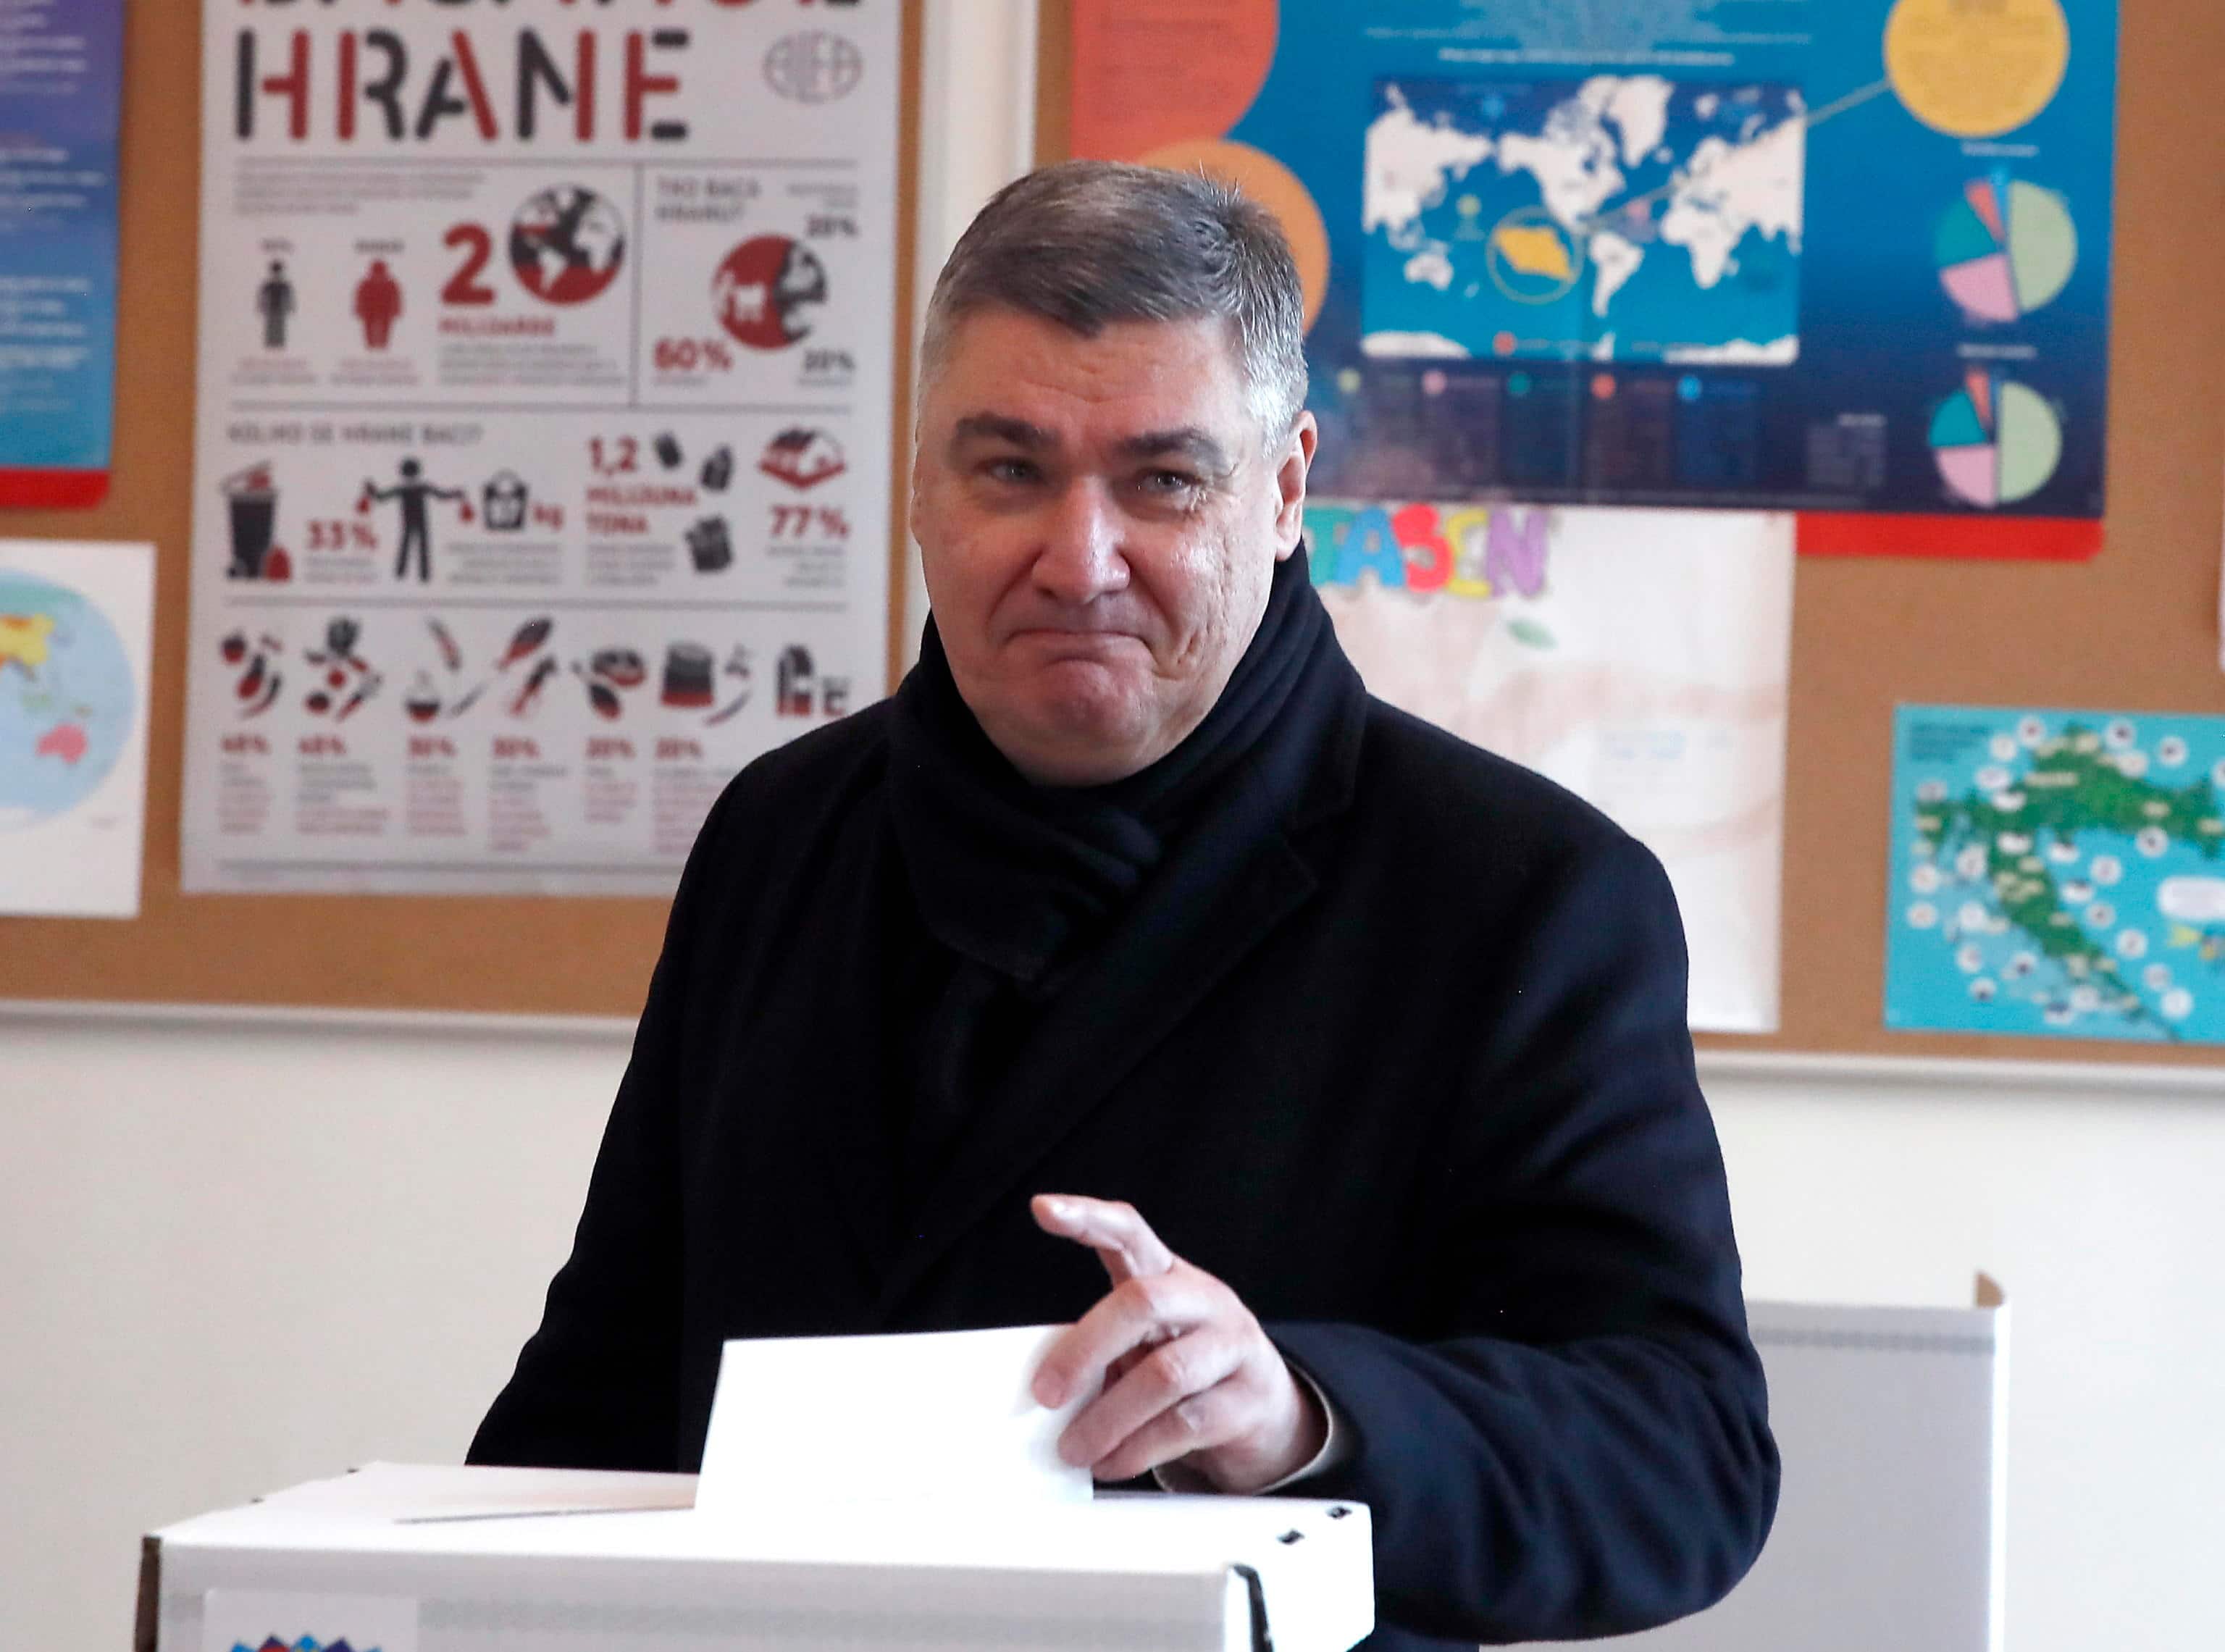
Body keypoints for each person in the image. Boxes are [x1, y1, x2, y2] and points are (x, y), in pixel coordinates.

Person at [469, 162, 1778, 1648]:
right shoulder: (783, 834)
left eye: (1162, 480)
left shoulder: (1523, 891)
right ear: (918, 483)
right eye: (1009, 470)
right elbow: (600, 1388)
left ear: (1283, 491)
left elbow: (1685, 1461)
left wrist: (1299, 1412)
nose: (1077, 561)